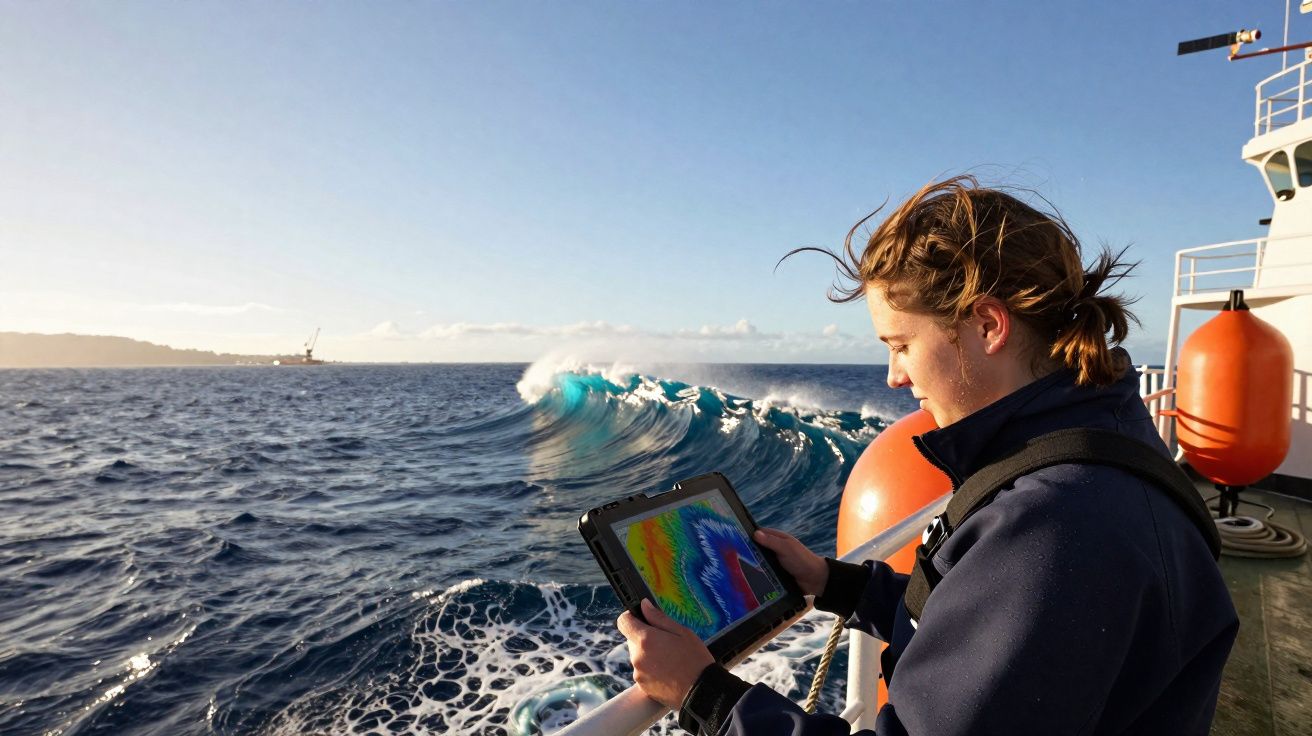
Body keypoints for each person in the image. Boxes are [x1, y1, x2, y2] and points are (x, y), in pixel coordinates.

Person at [616, 176, 1238, 735]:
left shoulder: (1051, 522)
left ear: (988, 326)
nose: (893, 375)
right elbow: (995, 631)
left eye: (901, 344)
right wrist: (836, 582)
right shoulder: (1105, 437)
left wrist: (702, 694)